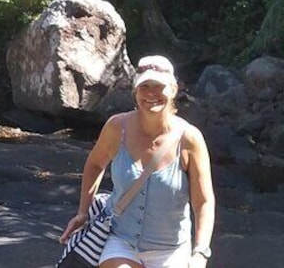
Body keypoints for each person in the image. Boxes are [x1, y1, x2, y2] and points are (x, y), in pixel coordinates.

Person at [59, 55, 215, 268]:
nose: (151, 94)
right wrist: (82, 212)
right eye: (145, 86)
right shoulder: (116, 127)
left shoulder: (189, 139)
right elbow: (95, 164)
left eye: (159, 86)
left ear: (173, 89)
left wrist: (200, 252)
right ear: (135, 91)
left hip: (170, 249)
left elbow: (203, 201)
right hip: (121, 241)